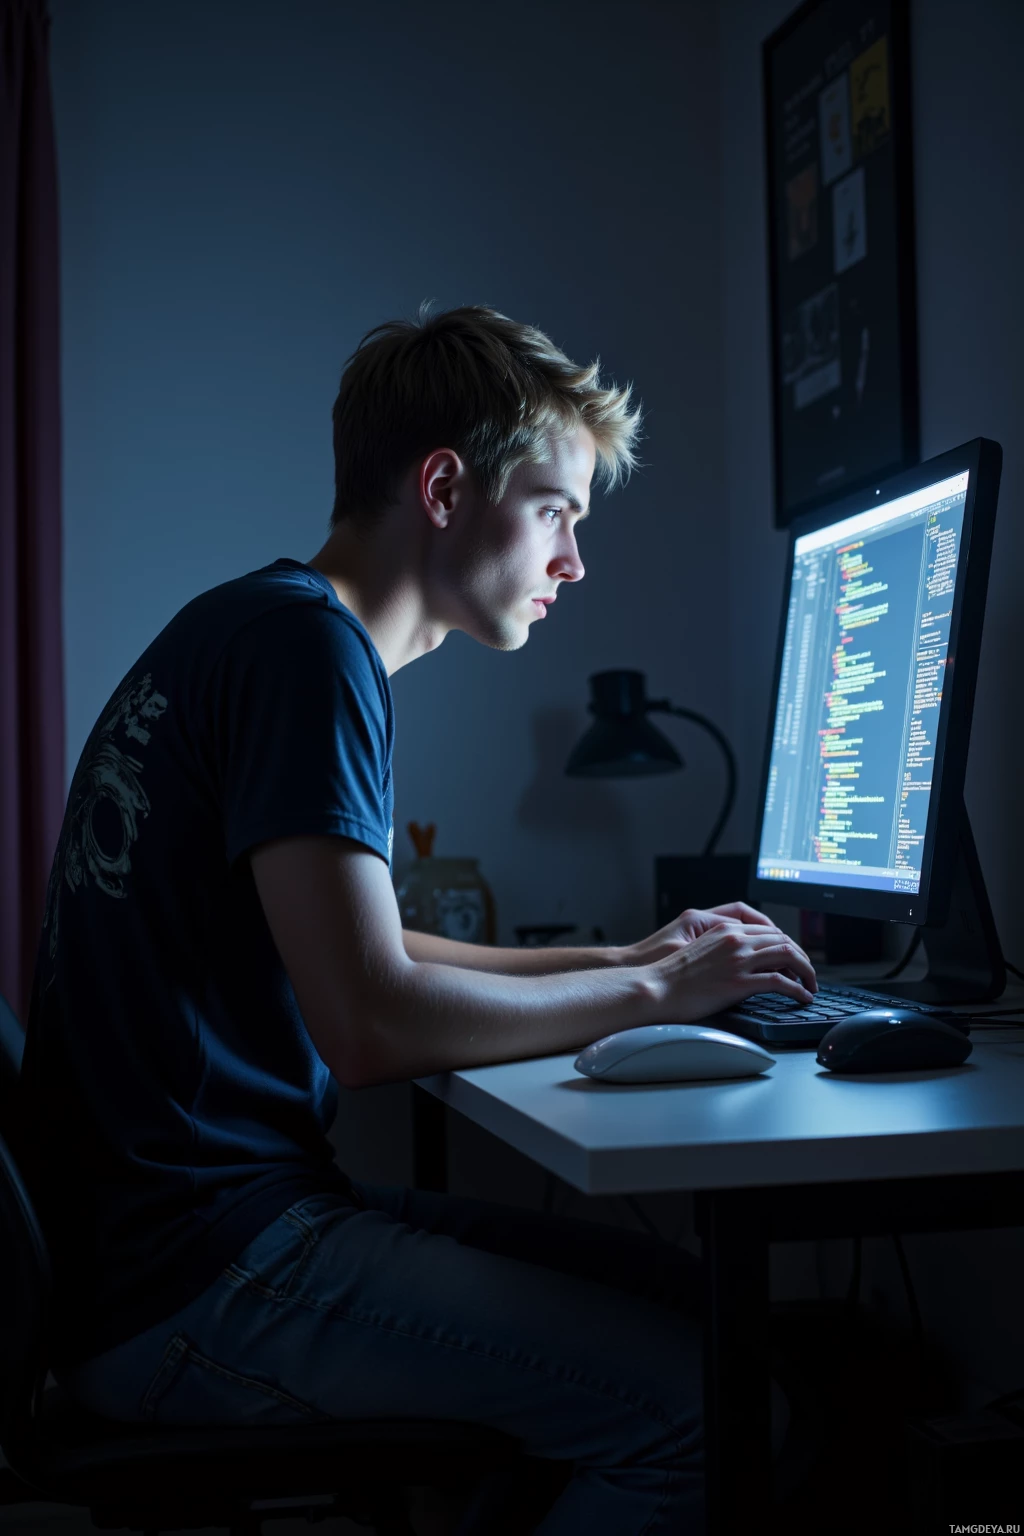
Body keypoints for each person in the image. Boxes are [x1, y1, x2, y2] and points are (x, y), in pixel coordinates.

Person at [16, 305, 816, 1534]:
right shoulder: (307, 653)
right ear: (444, 487)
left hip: (174, 1242)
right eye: (557, 509)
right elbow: (369, 1024)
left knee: (699, 1303)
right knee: (712, 1405)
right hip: (197, 1277)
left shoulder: (265, 624)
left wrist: (626, 953)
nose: (572, 562)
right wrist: (661, 995)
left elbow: (366, 940)